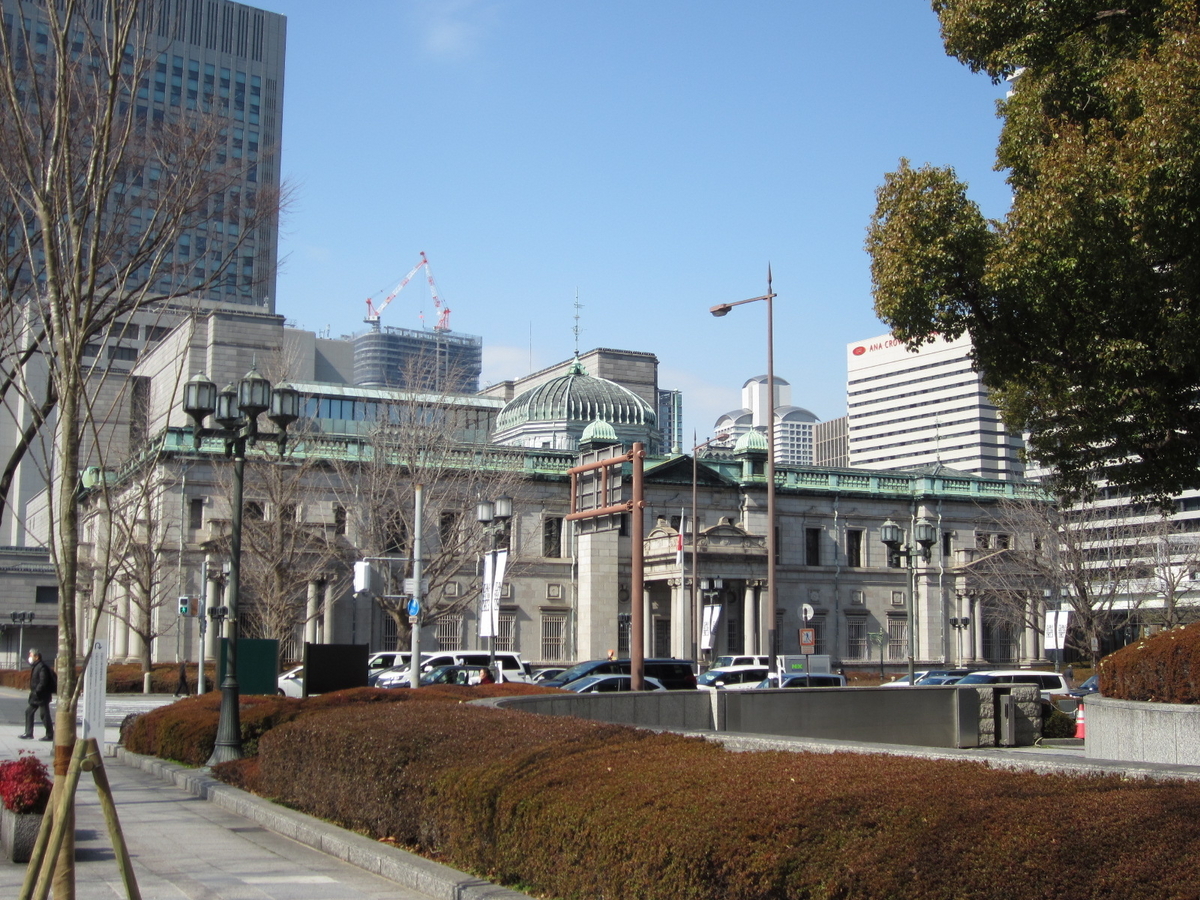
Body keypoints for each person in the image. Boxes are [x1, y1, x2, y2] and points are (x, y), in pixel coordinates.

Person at [19, 648, 54, 742]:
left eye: (30, 656)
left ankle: (50, 735)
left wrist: (38, 691)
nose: (29, 657)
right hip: (36, 695)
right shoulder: (37, 666)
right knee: (29, 712)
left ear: (36, 657)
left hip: (41, 696)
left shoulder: (42, 667)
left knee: (44, 715)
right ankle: (28, 733)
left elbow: (43, 681)